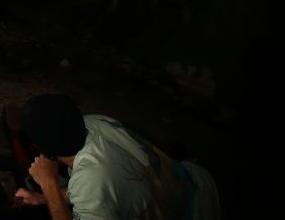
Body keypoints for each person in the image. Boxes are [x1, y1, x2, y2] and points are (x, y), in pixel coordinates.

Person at [14, 93, 220, 220]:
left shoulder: (90, 177)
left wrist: (49, 185)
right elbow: (101, 191)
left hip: (191, 211)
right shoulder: (95, 122)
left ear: (39, 147)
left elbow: (94, 186)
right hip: (194, 182)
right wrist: (44, 198)